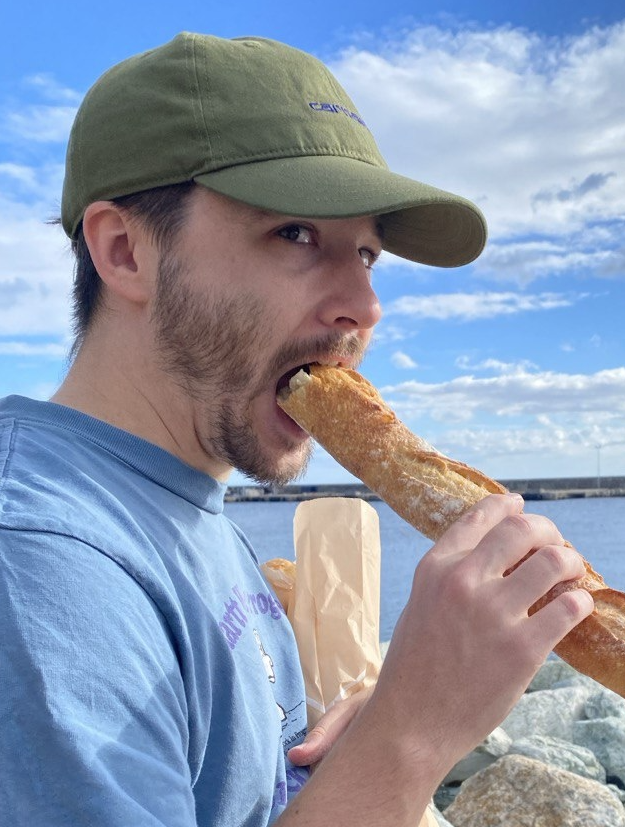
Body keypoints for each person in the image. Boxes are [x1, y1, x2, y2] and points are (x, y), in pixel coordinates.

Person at [0, 31, 593, 826]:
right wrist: (410, 738)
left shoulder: (181, 508)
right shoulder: (43, 560)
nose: (366, 306)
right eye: (296, 234)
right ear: (124, 251)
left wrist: (346, 751)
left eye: (369, 254)